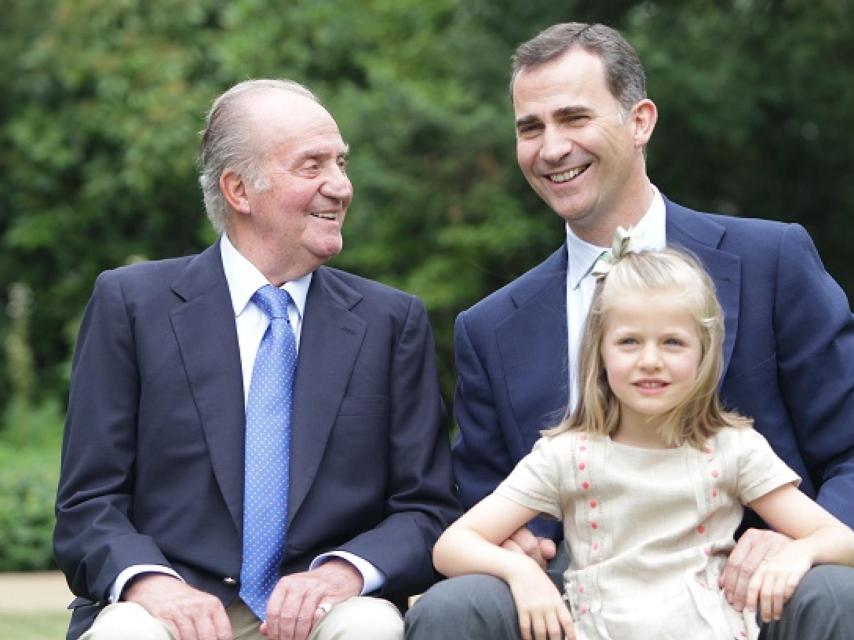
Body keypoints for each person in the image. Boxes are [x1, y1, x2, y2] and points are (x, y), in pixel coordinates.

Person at [406, 22, 854, 640]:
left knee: (842, 589)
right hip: (572, 598)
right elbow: (480, 499)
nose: (551, 147)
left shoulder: (773, 260)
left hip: (755, 585)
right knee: (455, 609)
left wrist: (796, 541)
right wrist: (517, 552)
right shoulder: (490, 327)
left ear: (640, 121)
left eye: (573, 118)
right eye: (530, 128)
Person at [54, 79, 459, 640]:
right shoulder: (131, 306)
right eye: (312, 165)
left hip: (331, 610)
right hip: (168, 604)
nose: (340, 186)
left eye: (341, 163)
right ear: (239, 190)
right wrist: (152, 584)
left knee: (370, 629)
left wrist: (343, 572)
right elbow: (87, 503)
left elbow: (427, 508)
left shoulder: (392, 322)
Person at [431, 239, 854, 640]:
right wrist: (519, 573)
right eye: (629, 342)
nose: (650, 361)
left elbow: (841, 539)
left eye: (672, 342)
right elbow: (453, 545)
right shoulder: (568, 455)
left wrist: (800, 553)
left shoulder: (733, 449)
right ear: (600, 352)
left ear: (704, 354)